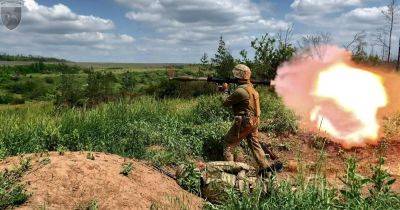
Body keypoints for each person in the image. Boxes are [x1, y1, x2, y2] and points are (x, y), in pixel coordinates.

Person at [221, 64, 282, 176]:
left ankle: (230, 171)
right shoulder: (251, 89)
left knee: (228, 143)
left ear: (238, 75)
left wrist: (225, 90)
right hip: (254, 121)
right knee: (254, 144)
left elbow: (225, 102)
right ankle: (265, 167)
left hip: (244, 122)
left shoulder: (240, 91)